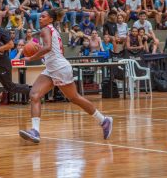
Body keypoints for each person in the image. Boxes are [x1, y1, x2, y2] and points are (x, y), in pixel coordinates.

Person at [19, 9, 113, 143]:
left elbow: (47, 48)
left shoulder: (46, 29)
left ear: (50, 19)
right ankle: (35, 131)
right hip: (52, 69)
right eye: (40, 16)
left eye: (43, 16)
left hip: (59, 68)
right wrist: (37, 47)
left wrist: (31, 57)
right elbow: (48, 48)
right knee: (34, 95)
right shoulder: (52, 29)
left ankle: (104, 120)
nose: (40, 18)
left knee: (75, 98)